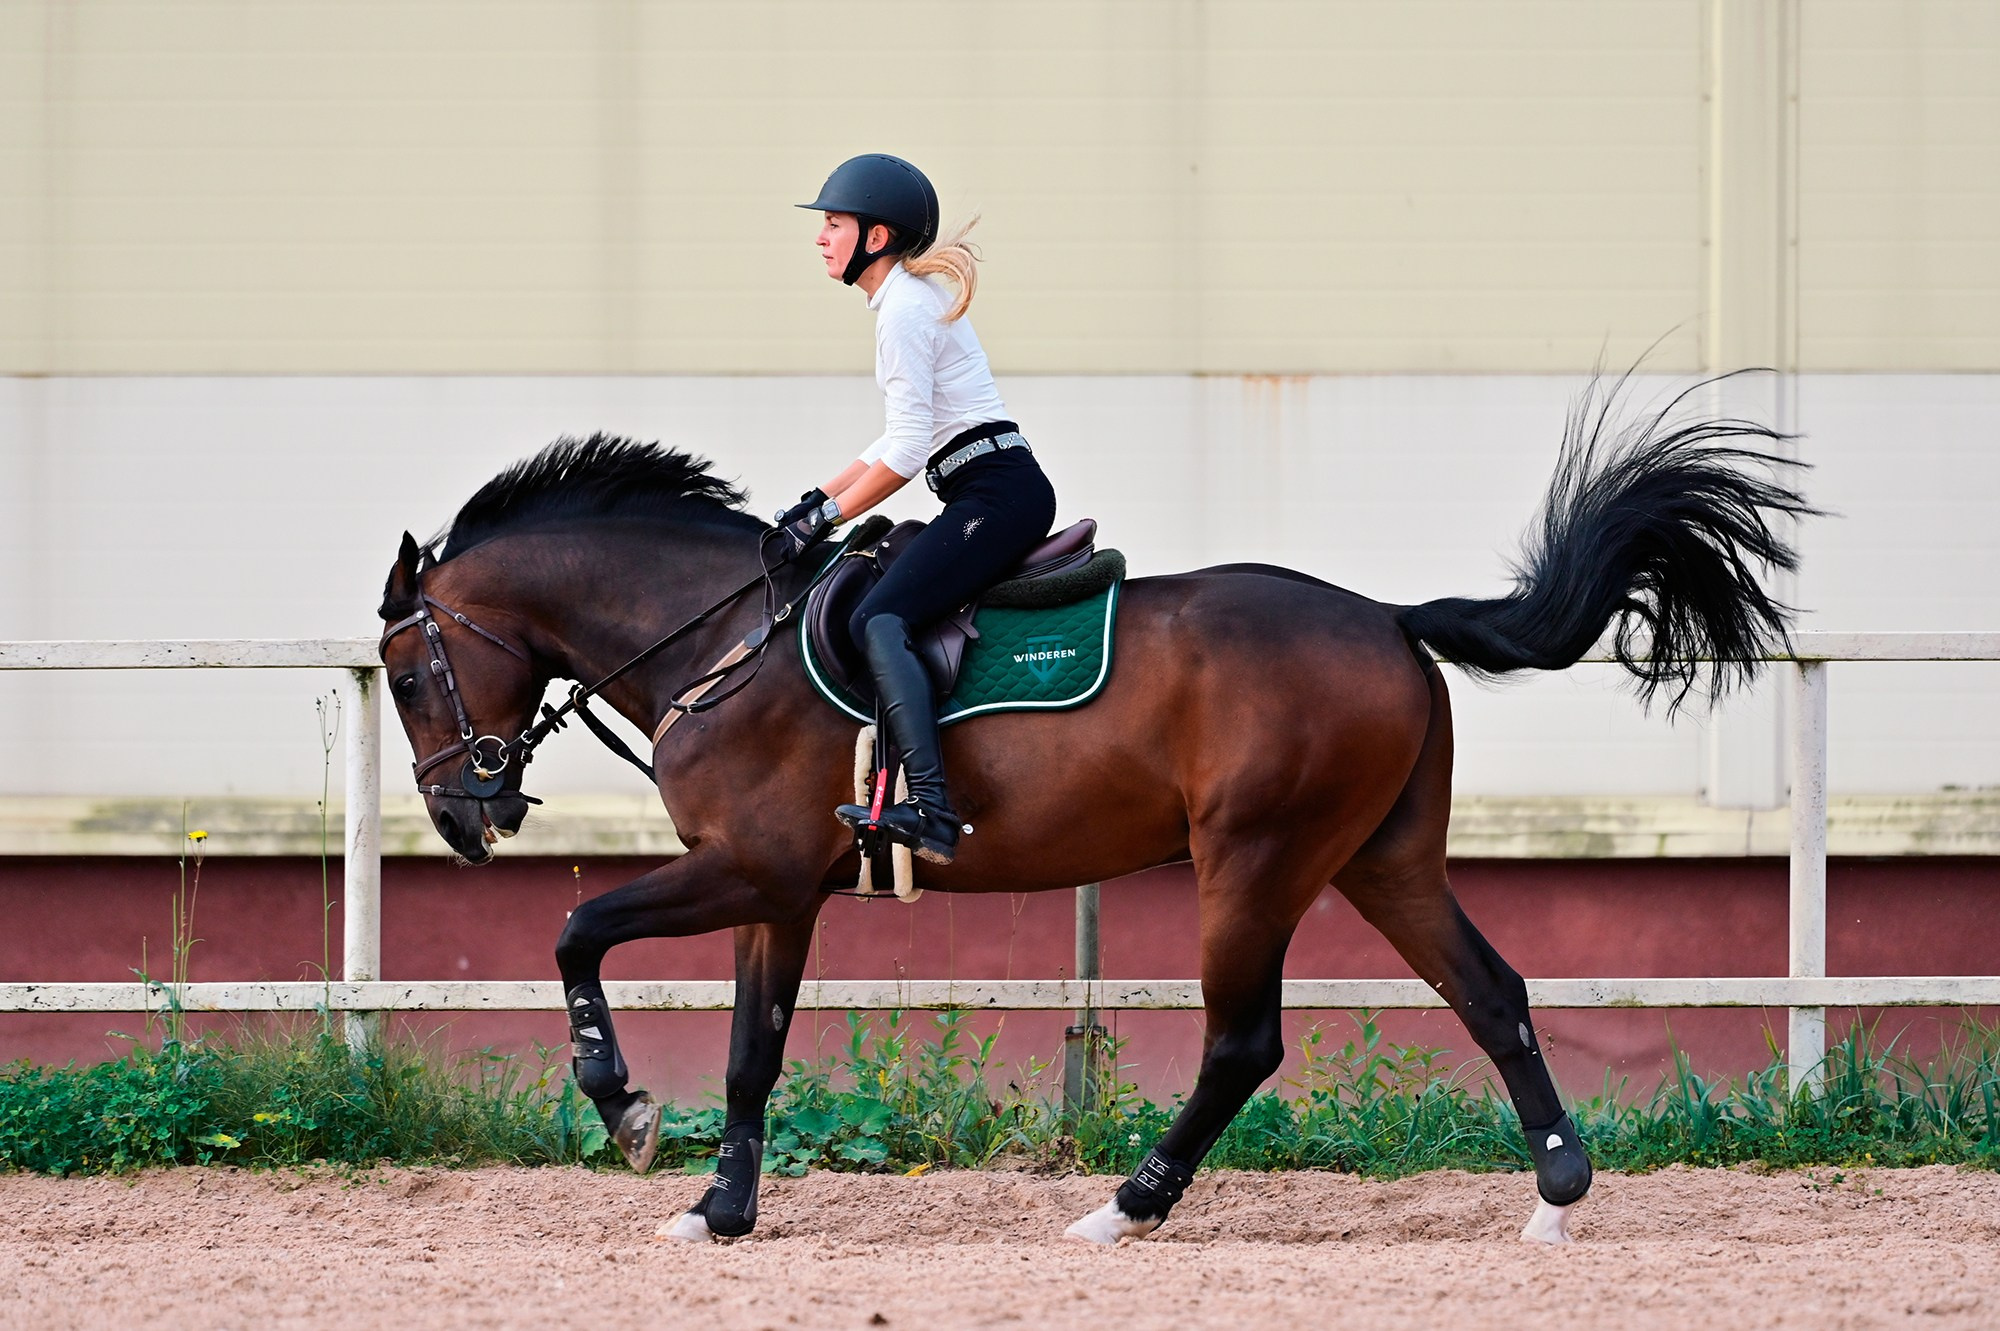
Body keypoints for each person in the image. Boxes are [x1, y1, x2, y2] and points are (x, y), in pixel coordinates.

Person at [772, 153, 1057, 865]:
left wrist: (828, 519)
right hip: (987, 486)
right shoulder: (905, 301)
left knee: (879, 618)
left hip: (996, 494)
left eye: (834, 224)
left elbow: (903, 454)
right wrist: (818, 499)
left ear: (875, 237)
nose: (820, 237)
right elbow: (900, 435)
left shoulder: (903, 309)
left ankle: (931, 809)